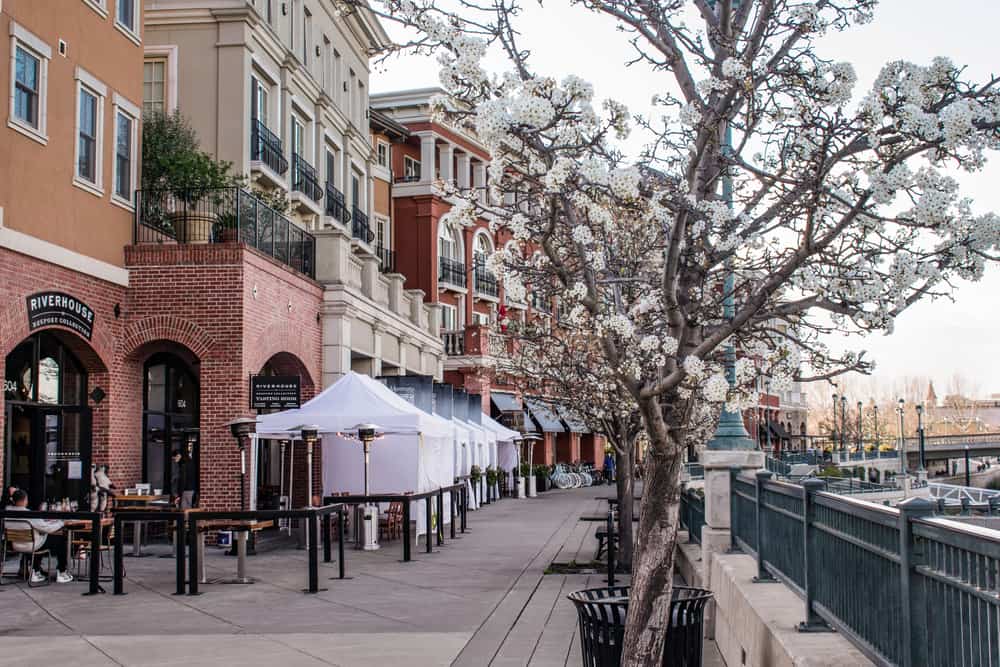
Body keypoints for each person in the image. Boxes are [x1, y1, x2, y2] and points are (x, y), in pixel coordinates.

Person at [6, 489, 73, 583]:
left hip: (14, 545)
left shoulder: (6, 512)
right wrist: (62, 523)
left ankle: (36, 570)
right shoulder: (29, 514)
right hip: (32, 545)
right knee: (59, 540)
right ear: (25, 500)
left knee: (40, 539)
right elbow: (47, 528)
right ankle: (62, 572)